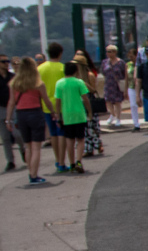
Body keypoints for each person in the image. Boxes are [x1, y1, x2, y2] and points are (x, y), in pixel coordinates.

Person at [5, 57, 54, 183]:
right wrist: (54, 113)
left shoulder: (14, 83)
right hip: (35, 113)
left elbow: (11, 103)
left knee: (28, 146)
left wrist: (8, 119)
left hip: (21, 115)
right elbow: (46, 100)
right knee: (36, 147)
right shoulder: (38, 83)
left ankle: (30, 172)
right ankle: (34, 175)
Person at [54, 62, 92, 173]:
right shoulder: (79, 82)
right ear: (76, 71)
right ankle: (79, 161)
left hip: (67, 115)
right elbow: (85, 99)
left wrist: (58, 115)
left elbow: (58, 101)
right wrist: (89, 111)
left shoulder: (59, 83)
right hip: (79, 114)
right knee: (80, 139)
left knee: (69, 140)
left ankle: (71, 163)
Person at [37, 42, 69, 172]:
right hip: (62, 105)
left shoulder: (40, 69)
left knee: (53, 134)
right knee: (62, 133)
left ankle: (57, 160)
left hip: (46, 105)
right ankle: (62, 161)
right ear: (60, 53)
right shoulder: (63, 68)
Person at [71, 57, 104, 158]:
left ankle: (96, 144)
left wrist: (83, 83)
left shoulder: (89, 75)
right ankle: (90, 148)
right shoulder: (74, 76)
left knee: (90, 127)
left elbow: (94, 90)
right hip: (79, 102)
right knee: (85, 128)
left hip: (89, 101)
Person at [101, 45, 127, 127]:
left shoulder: (121, 62)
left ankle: (118, 118)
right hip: (108, 83)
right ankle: (112, 114)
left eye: (110, 51)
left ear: (115, 52)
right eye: (107, 51)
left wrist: (125, 87)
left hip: (117, 84)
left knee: (117, 102)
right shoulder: (105, 62)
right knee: (108, 101)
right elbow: (103, 72)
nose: (108, 53)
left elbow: (125, 75)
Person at [0, 54, 16, 171]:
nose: (6, 63)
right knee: (5, 137)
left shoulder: (13, 76)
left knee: (17, 133)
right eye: (3, 61)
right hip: (1, 108)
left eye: (7, 61)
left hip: (13, 107)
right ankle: (10, 161)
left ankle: (24, 152)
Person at [125, 46, 143, 131]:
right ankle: (136, 124)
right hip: (131, 87)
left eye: (132, 56)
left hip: (141, 87)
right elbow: (126, 77)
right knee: (133, 105)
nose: (130, 58)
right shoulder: (128, 65)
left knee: (144, 103)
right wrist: (125, 89)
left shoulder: (141, 64)